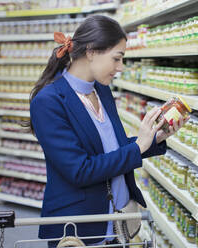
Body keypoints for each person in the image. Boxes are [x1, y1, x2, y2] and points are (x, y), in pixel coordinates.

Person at [29, 15, 188, 247]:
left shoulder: (101, 91)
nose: (120, 68)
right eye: (117, 58)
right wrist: (138, 147)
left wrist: (154, 138)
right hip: (78, 229)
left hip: (118, 224)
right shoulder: (49, 101)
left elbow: (113, 150)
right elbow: (80, 170)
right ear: (91, 51)